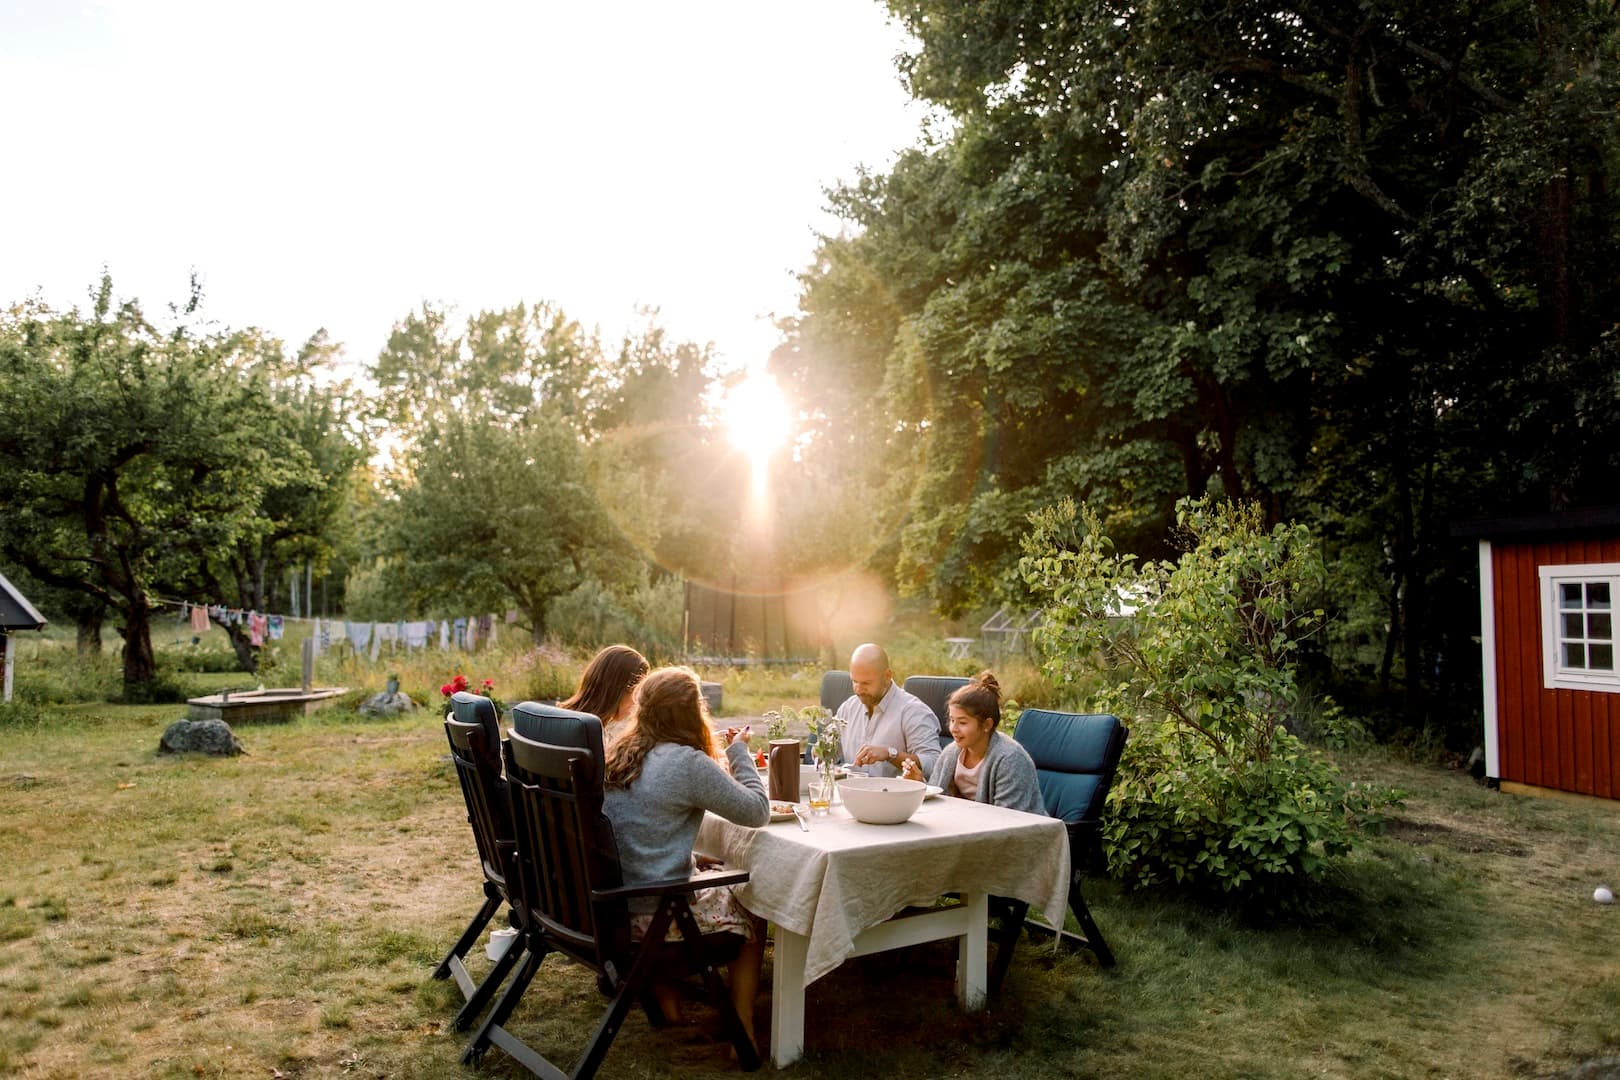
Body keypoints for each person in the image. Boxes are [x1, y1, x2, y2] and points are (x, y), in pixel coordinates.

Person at [601, 665, 769, 1043]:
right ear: (693, 711)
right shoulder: (687, 763)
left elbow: (640, 823)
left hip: (611, 911)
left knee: (700, 877)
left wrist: (689, 856)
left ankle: (668, 999)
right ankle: (742, 1022)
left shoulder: (620, 751)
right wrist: (739, 751)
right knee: (754, 902)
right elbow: (757, 811)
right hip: (655, 916)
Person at [899, 671, 1043, 815]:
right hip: (968, 829)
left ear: (987, 724)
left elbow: (1009, 820)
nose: (953, 729)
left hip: (1022, 834)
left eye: (962, 722)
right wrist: (920, 784)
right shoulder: (951, 753)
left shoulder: (1010, 759)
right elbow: (937, 801)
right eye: (952, 720)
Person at [834, 643, 942, 780]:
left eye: (866, 683)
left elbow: (934, 764)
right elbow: (830, 751)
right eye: (854, 681)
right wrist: (820, 751)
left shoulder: (914, 711)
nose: (858, 690)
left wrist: (890, 754)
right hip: (851, 794)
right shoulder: (848, 708)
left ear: (887, 676)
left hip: (894, 797)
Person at [561, 644, 649, 725]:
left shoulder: (560, 717)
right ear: (619, 691)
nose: (637, 702)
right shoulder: (594, 730)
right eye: (638, 692)